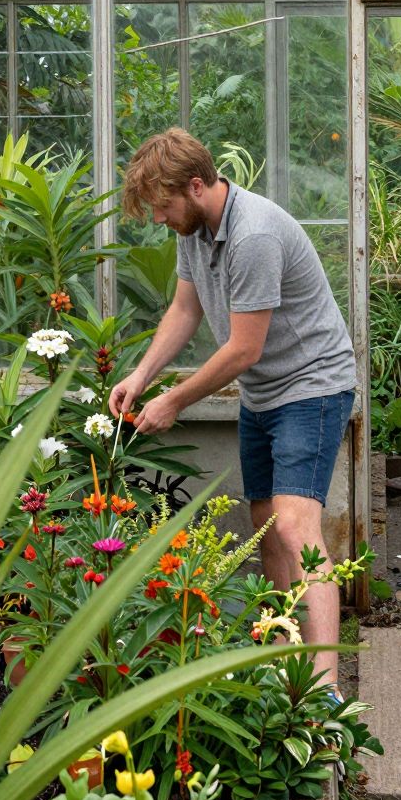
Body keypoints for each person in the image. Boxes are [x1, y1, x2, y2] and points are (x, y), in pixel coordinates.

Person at [109, 128, 356, 691]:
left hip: (311, 387)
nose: (158, 218)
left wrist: (173, 400)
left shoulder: (254, 235)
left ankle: (324, 691)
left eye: (163, 205)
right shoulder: (195, 230)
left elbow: (244, 349)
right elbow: (184, 309)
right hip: (263, 393)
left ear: (197, 185)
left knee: (295, 527)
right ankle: (281, 656)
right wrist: (142, 377)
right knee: (266, 526)